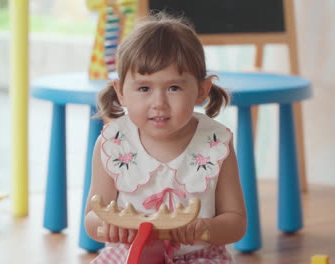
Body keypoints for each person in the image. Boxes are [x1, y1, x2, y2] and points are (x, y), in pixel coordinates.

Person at [84, 12, 247, 264]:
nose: (158, 103)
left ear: (201, 91)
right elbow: (91, 218)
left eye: (174, 88)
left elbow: (236, 221)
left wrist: (203, 228)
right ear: (121, 92)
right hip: (129, 254)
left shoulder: (215, 143)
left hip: (198, 255)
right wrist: (110, 225)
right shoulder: (113, 142)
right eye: (144, 88)